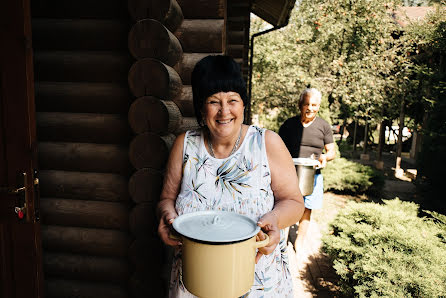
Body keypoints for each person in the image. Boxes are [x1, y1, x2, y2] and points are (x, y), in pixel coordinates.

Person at [157, 55, 305, 297]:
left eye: (232, 100)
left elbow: (295, 202)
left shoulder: (266, 143)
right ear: (201, 107)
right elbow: (166, 200)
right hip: (194, 283)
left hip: (257, 281)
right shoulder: (185, 145)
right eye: (214, 101)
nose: (224, 111)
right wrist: (166, 216)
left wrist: (275, 219)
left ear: (243, 104)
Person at [278, 88, 335, 253]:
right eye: (306, 104)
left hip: (312, 175)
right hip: (289, 174)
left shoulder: (323, 126)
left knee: (306, 208)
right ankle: (283, 242)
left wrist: (324, 158)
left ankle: (299, 242)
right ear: (299, 105)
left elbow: (331, 152)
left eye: (314, 105)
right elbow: (277, 149)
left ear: (319, 106)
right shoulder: (289, 124)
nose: (310, 108)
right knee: (286, 205)